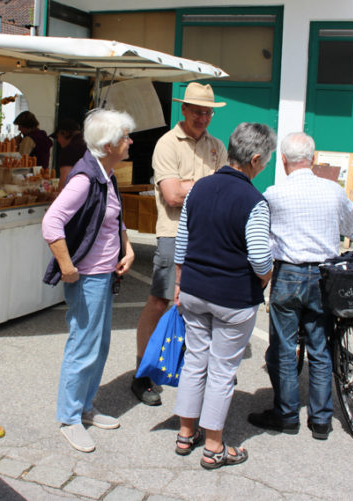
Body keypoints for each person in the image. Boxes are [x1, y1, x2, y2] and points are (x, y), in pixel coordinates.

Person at [173, 122, 275, 470]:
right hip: (233, 297)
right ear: (255, 158)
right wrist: (267, 277)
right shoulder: (254, 201)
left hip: (194, 290)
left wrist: (178, 283)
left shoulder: (200, 187)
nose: (265, 166)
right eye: (265, 161)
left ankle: (186, 432)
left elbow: (182, 242)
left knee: (194, 360)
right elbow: (260, 256)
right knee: (221, 370)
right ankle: (214, 445)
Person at [248, 132, 353, 440]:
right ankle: (321, 420)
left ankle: (286, 415)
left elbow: (264, 238)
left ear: (283, 160)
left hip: (288, 274)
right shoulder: (332, 190)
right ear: (313, 158)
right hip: (325, 276)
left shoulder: (273, 194)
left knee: (285, 347)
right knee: (319, 346)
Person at [42, 109, 136, 453]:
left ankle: (84, 407)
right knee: (84, 345)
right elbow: (51, 224)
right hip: (89, 277)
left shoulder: (105, 174)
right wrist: (67, 266)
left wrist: (127, 248)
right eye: (125, 136)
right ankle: (69, 417)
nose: (130, 141)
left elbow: (114, 217)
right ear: (109, 144)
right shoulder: (85, 178)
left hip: (103, 274)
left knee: (99, 345)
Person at [132, 82, 228, 405]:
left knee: (202, 306)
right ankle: (142, 373)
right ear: (183, 110)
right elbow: (172, 196)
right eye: (197, 111)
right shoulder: (166, 144)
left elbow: (223, 191)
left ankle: (190, 370)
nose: (203, 117)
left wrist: (196, 186)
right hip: (173, 234)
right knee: (161, 302)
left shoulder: (217, 146)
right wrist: (210, 184)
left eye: (207, 112)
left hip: (208, 235)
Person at [52, 117, 86, 187]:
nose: (58, 140)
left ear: (64, 133)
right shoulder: (91, 143)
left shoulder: (69, 150)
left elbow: (65, 182)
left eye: (57, 137)